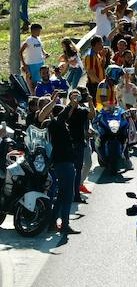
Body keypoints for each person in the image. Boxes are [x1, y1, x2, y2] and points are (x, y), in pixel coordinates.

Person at [39, 92, 79, 234]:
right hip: (64, 163)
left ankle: (53, 223)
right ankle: (65, 225)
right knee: (67, 195)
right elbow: (63, 115)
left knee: (62, 194)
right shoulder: (56, 124)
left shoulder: (56, 125)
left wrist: (71, 105)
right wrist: (70, 104)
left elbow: (63, 115)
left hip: (63, 163)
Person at [20, 23, 49, 90]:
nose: (39, 32)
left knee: (41, 80)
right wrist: (24, 64)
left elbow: (41, 49)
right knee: (33, 82)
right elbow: (21, 52)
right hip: (32, 64)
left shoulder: (38, 39)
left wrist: (45, 54)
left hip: (40, 62)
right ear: (33, 30)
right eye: (38, 31)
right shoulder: (29, 40)